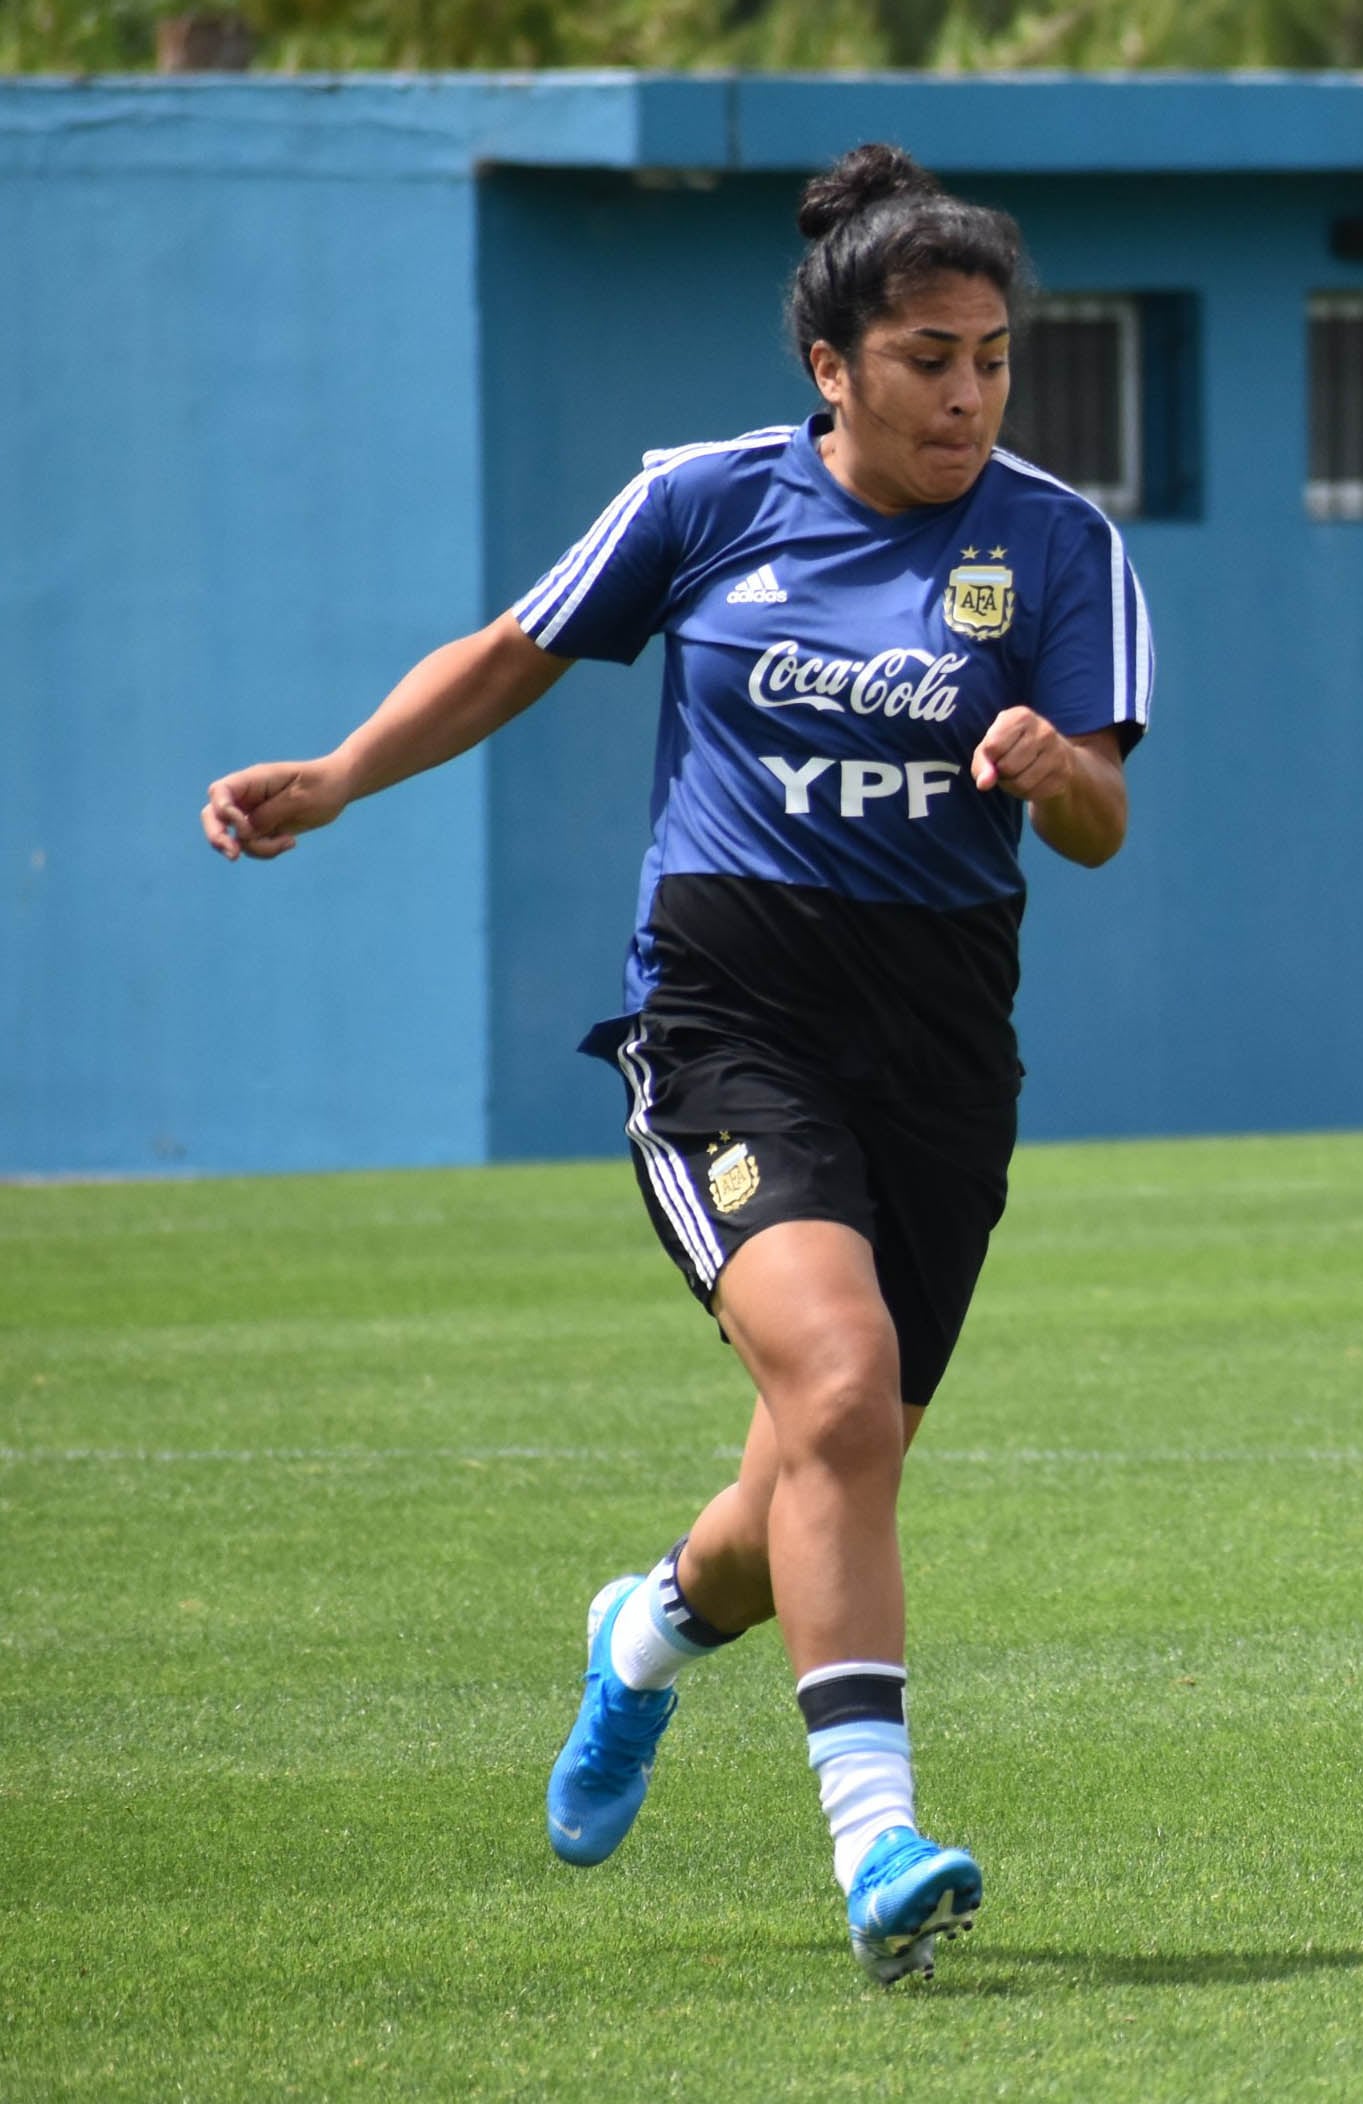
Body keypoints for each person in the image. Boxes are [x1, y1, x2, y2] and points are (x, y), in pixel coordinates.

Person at [201, 143, 1152, 1985]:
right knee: (845, 1385)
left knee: (810, 1468)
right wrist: (334, 776)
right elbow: (509, 653)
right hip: (727, 1033)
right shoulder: (702, 503)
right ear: (832, 365)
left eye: (995, 358)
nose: (970, 393)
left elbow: (1109, 823)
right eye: (931, 358)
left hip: (943, 1058)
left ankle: (641, 1639)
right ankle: (880, 1848)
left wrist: (1060, 773)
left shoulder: (1058, 546)